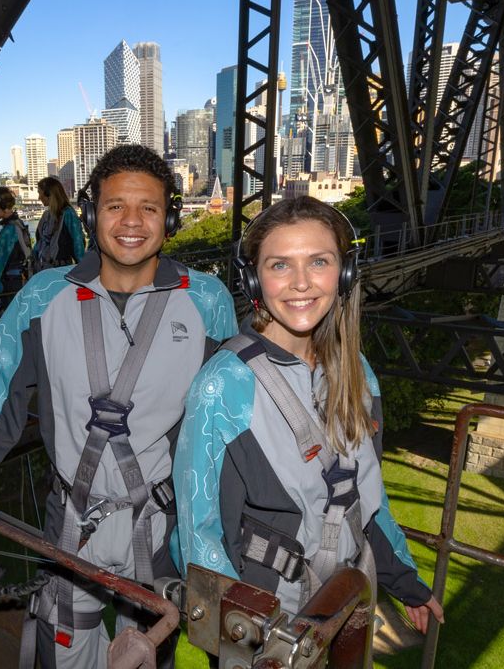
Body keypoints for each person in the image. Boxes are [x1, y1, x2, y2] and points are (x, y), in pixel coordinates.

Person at [0, 144, 238, 669]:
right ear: (91, 215)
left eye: (149, 208)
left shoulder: (205, 301)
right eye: (115, 206)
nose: (131, 222)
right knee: (64, 649)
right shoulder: (45, 298)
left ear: (170, 218)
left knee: (146, 653)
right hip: (72, 517)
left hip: (162, 524)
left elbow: (229, 417)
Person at [173, 197, 443, 663]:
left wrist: (408, 585)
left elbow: (367, 501)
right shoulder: (223, 386)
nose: (300, 283)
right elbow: (200, 534)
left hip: (345, 604)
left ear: (344, 275)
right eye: (280, 265)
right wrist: (243, 641)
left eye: (318, 261)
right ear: (256, 280)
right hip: (268, 623)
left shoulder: (357, 373)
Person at [0, 186, 32, 311]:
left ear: (2, 206)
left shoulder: (8, 231)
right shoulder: (19, 224)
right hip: (23, 282)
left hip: (10, 286)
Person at [33, 176, 85, 273]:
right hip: (43, 270)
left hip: (61, 271)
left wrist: (82, 271)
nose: (39, 197)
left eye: (40, 193)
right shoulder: (46, 215)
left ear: (49, 194)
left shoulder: (68, 214)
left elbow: (78, 243)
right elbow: (38, 243)